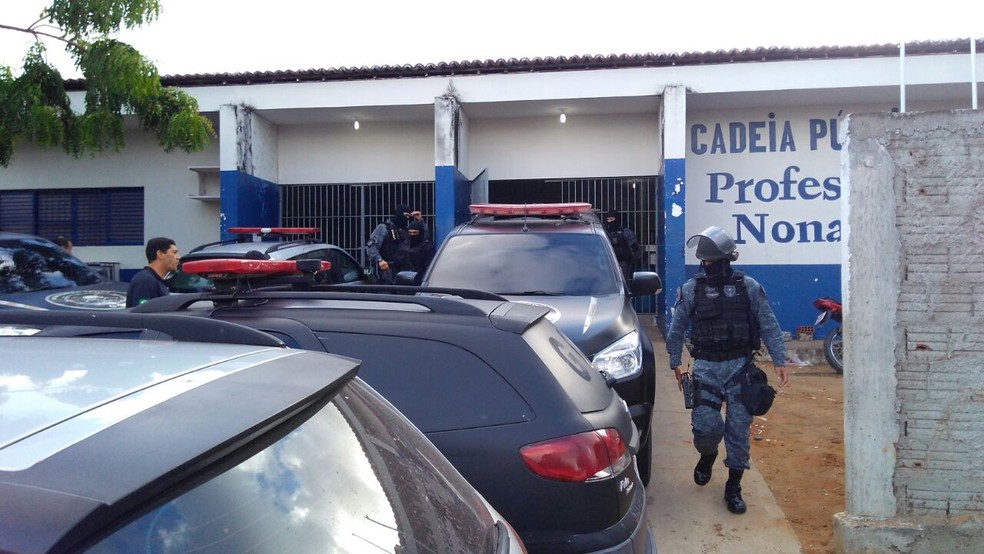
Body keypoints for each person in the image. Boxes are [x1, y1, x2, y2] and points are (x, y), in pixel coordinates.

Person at [665, 225, 789, 515]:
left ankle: (733, 486)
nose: (705, 265)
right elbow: (677, 328)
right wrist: (675, 361)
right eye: (703, 261)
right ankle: (707, 456)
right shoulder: (691, 289)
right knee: (706, 429)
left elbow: (769, 324)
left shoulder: (749, 287)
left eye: (710, 261)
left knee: (737, 432)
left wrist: (780, 360)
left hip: (740, 370)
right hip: (706, 368)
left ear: (725, 260)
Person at [365, 204, 415, 284]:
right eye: (406, 215)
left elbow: (423, 242)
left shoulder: (407, 230)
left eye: (409, 216)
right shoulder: (383, 228)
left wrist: (420, 221)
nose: (407, 218)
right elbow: (371, 247)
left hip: (405, 273)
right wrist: (380, 260)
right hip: (388, 272)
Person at [126, 237, 179, 308]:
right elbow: (142, 315)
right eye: (174, 253)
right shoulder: (145, 281)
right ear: (160, 254)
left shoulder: (156, 281)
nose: (178, 257)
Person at [602, 209, 641, 279]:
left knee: (622, 280)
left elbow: (635, 248)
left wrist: (631, 260)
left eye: (612, 219)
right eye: (608, 219)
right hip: (606, 262)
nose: (610, 221)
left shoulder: (625, 232)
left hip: (622, 262)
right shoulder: (603, 232)